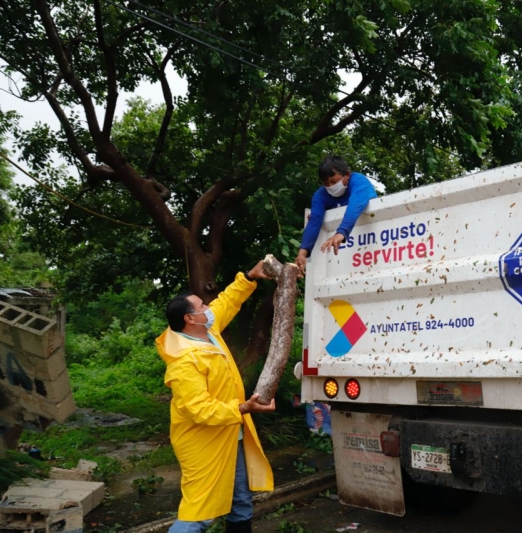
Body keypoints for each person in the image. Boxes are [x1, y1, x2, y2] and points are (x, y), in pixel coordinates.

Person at [156, 263, 275, 533]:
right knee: (200, 512)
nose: (208, 307)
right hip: (204, 444)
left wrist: (248, 277)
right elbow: (198, 409)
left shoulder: (210, 333)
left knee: (241, 502)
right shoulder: (184, 360)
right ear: (190, 319)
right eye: (202, 306)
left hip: (233, 435)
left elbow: (227, 302)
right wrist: (244, 407)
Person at [294, 155, 377, 275]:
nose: (330, 186)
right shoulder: (320, 195)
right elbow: (314, 221)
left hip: (372, 244)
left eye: (334, 181)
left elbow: (355, 205)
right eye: (326, 183)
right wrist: (302, 253)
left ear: (347, 175)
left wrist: (341, 233)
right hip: (346, 260)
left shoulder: (359, 182)